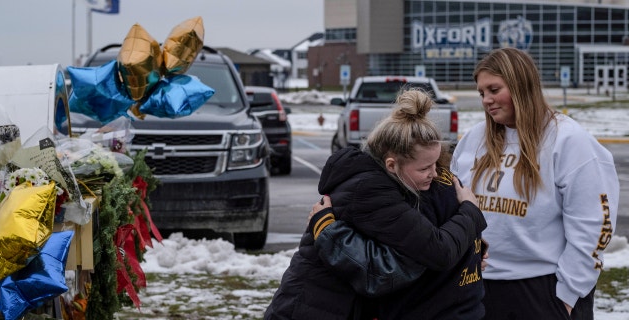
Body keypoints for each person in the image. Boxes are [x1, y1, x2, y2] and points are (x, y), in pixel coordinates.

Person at [264, 88, 487, 319]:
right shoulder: (371, 191)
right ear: (392, 165)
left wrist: (470, 251)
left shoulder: (391, 183)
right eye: (424, 168)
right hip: (307, 310)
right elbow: (431, 253)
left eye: (436, 164)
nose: (435, 173)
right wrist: (470, 213)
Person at [451, 47, 619, 320]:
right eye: (482, 93)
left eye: (494, 89)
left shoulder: (568, 140)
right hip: (478, 286)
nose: (486, 100)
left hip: (543, 289)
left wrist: (566, 297)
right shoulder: (474, 140)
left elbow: (593, 227)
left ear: (521, 85)